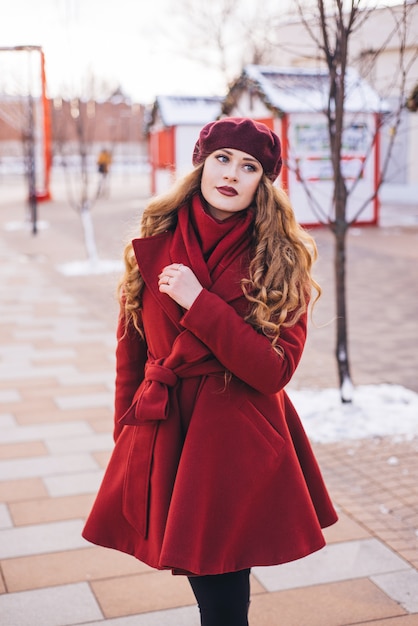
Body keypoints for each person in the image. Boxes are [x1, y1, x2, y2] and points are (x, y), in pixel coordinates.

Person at [82, 117, 338, 625]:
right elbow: (130, 354)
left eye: (248, 167)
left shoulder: (280, 260)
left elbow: (274, 370)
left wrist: (199, 303)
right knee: (211, 591)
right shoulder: (154, 243)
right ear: (201, 164)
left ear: (262, 183)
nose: (231, 174)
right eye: (222, 159)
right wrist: (128, 438)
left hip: (234, 441)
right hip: (166, 427)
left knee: (223, 596)